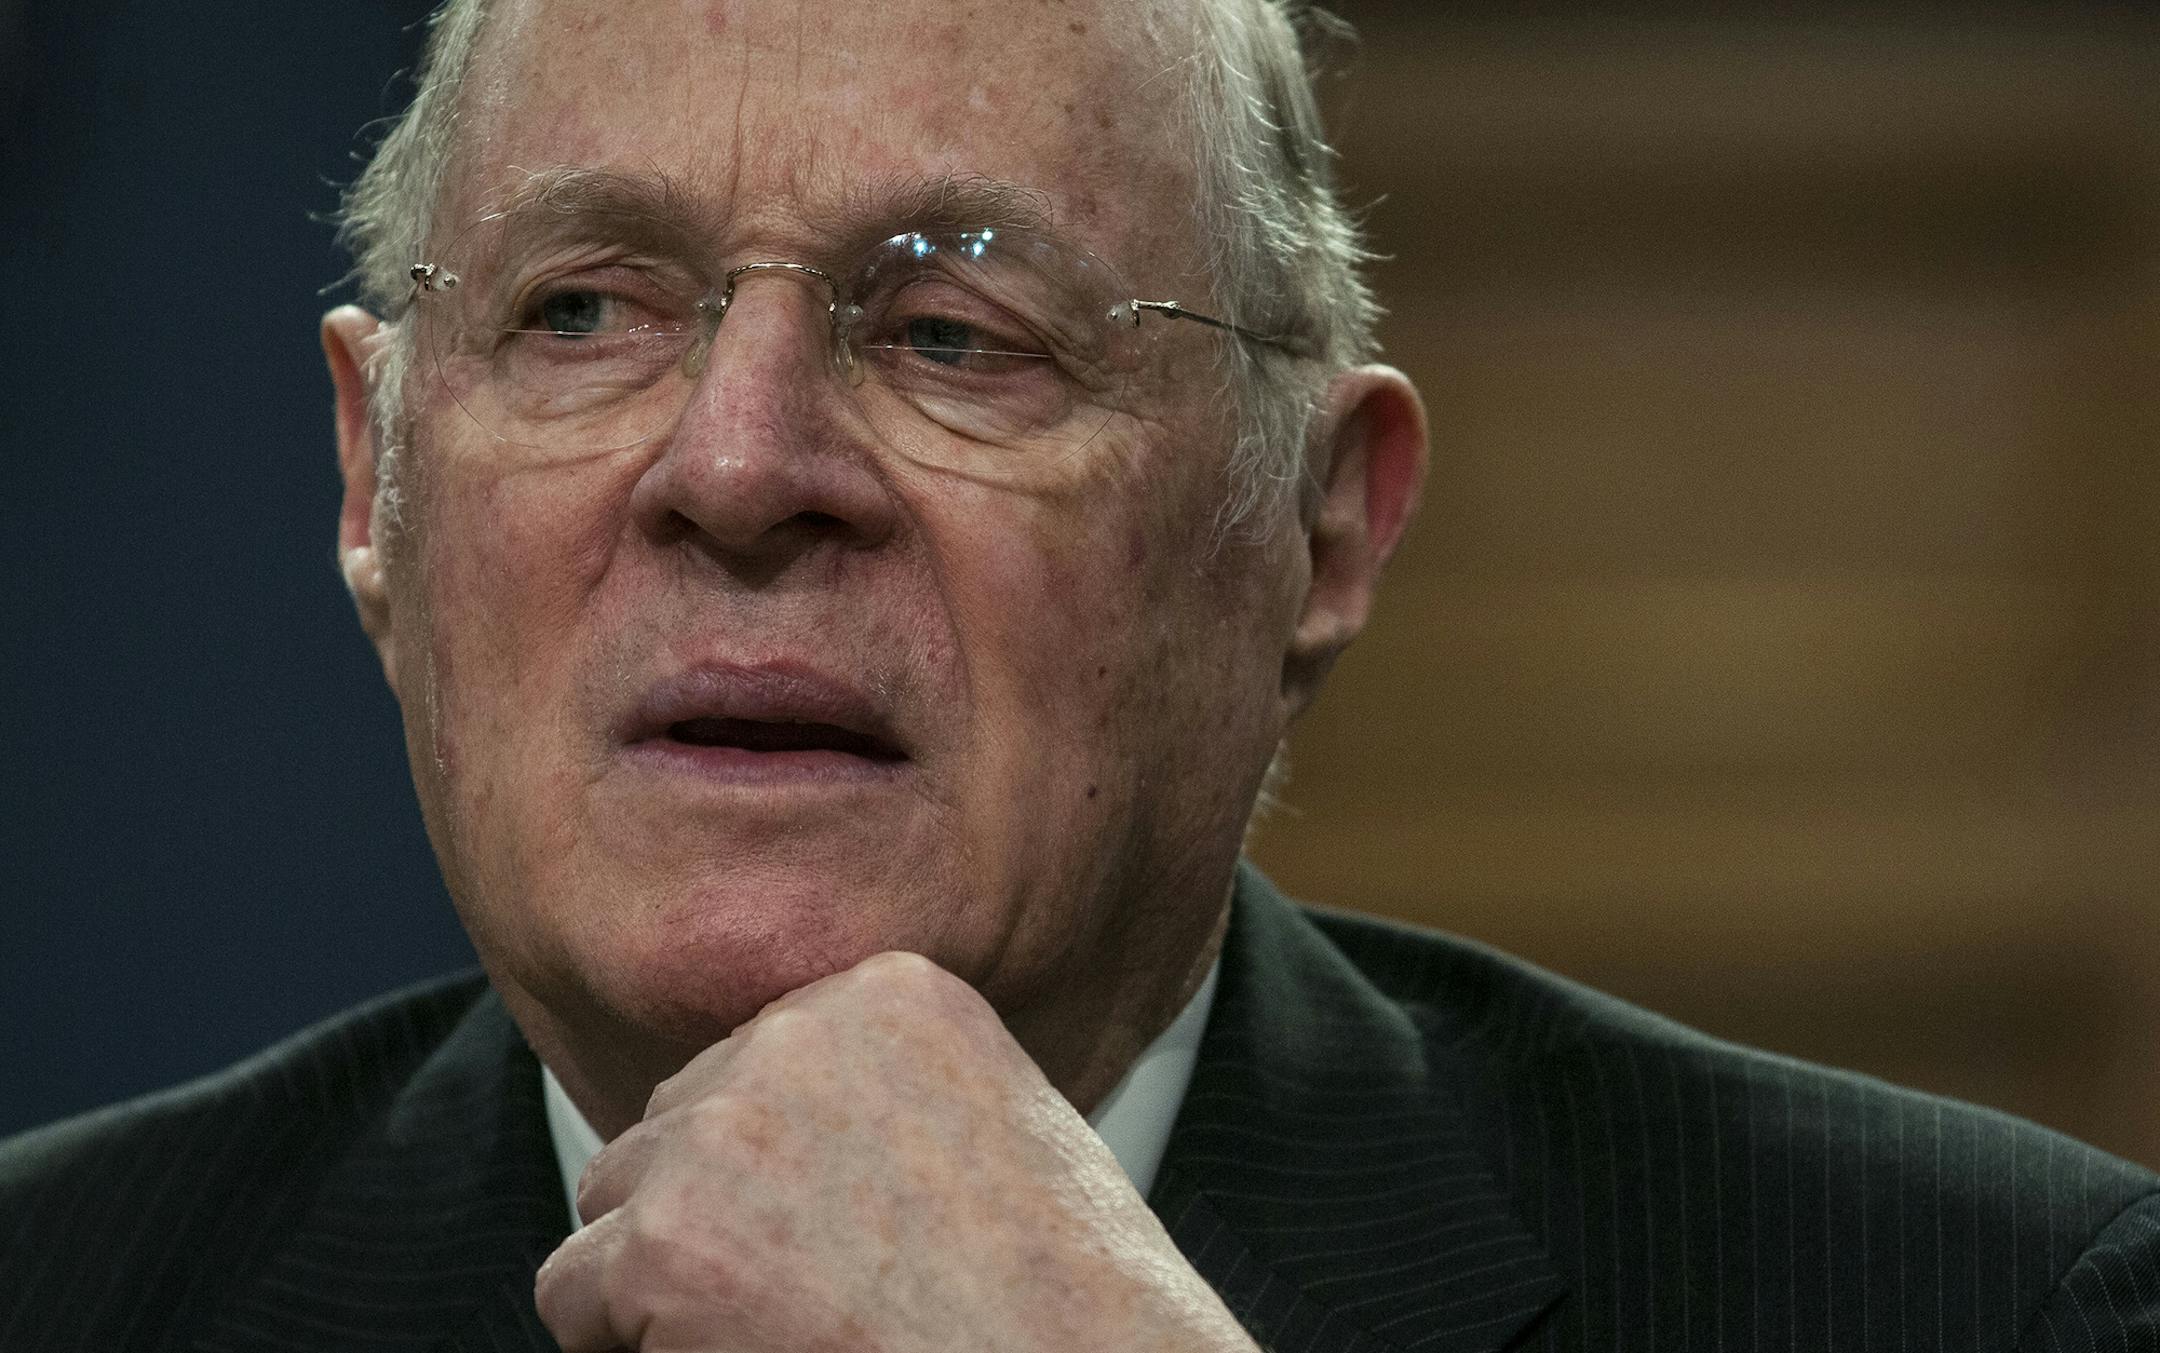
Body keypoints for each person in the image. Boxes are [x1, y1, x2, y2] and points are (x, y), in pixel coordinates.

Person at [3, 1, 2156, 1349]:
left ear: (1320, 525)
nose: (738, 467)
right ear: (377, 477)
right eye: (584, 310)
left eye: (953, 330)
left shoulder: (1990, 1303)